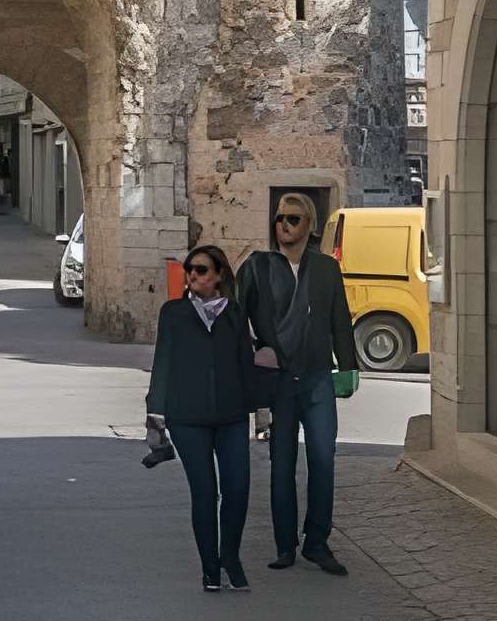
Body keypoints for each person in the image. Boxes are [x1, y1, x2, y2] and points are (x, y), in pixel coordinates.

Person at [238, 193, 357, 577]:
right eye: (279, 219)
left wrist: (349, 367)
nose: (283, 225)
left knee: (324, 462)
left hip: (319, 378)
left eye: (292, 219)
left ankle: (317, 544)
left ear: (309, 225)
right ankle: (285, 546)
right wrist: (253, 357)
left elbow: (340, 318)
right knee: (281, 466)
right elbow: (237, 320)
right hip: (279, 383)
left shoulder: (325, 269)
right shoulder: (257, 267)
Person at [144, 243, 256, 592]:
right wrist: (154, 414)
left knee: (237, 489)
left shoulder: (235, 313)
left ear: (219, 275)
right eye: (190, 269)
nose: (193, 275)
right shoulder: (173, 313)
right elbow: (162, 361)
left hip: (232, 414)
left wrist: (261, 408)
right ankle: (211, 568)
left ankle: (231, 557)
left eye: (202, 270)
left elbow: (245, 364)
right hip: (187, 417)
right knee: (205, 492)